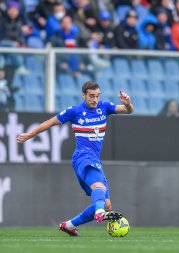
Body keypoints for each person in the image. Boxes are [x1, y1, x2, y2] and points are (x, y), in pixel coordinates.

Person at [16, 81, 134, 236]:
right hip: (82, 157)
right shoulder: (75, 111)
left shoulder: (104, 107)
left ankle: (69, 225)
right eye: (91, 96)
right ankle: (99, 213)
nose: (95, 100)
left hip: (94, 159)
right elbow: (50, 123)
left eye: (97, 96)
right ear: (83, 95)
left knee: (106, 205)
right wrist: (30, 135)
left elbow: (128, 110)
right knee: (99, 188)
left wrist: (128, 104)